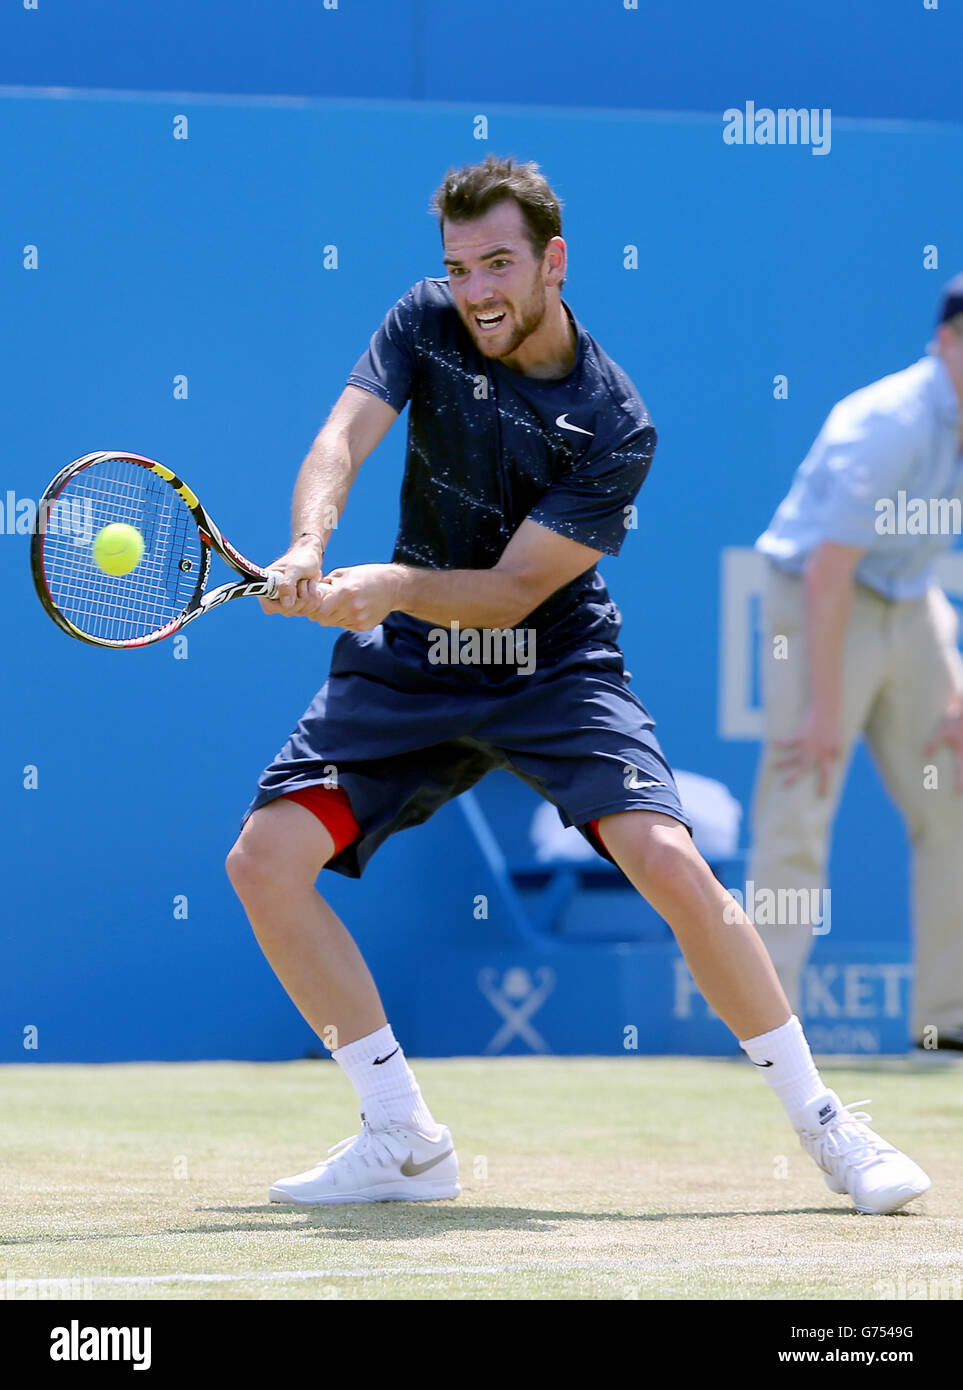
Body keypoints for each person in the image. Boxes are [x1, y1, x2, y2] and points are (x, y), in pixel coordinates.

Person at [226, 154, 930, 1213]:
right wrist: (310, 542)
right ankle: (403, 1134)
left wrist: (383, 586)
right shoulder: (424, 320)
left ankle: (828, 1126)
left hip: (551, 662)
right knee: (263, 862)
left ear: (554, 262)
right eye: (459, 267)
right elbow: (343, 435)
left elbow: (511, 593)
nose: (476, 291)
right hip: (414, 662)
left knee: (670, 860)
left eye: (498, 264)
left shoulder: (614, 423)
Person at [751, 274, 963, 1053]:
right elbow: (826, 571)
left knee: (954, 802)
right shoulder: (888, 425)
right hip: (815, 604)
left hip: (911, 606)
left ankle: (948, 1022)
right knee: (799, 801)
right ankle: (766, 1027)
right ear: (946, 341)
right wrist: (821, 710)